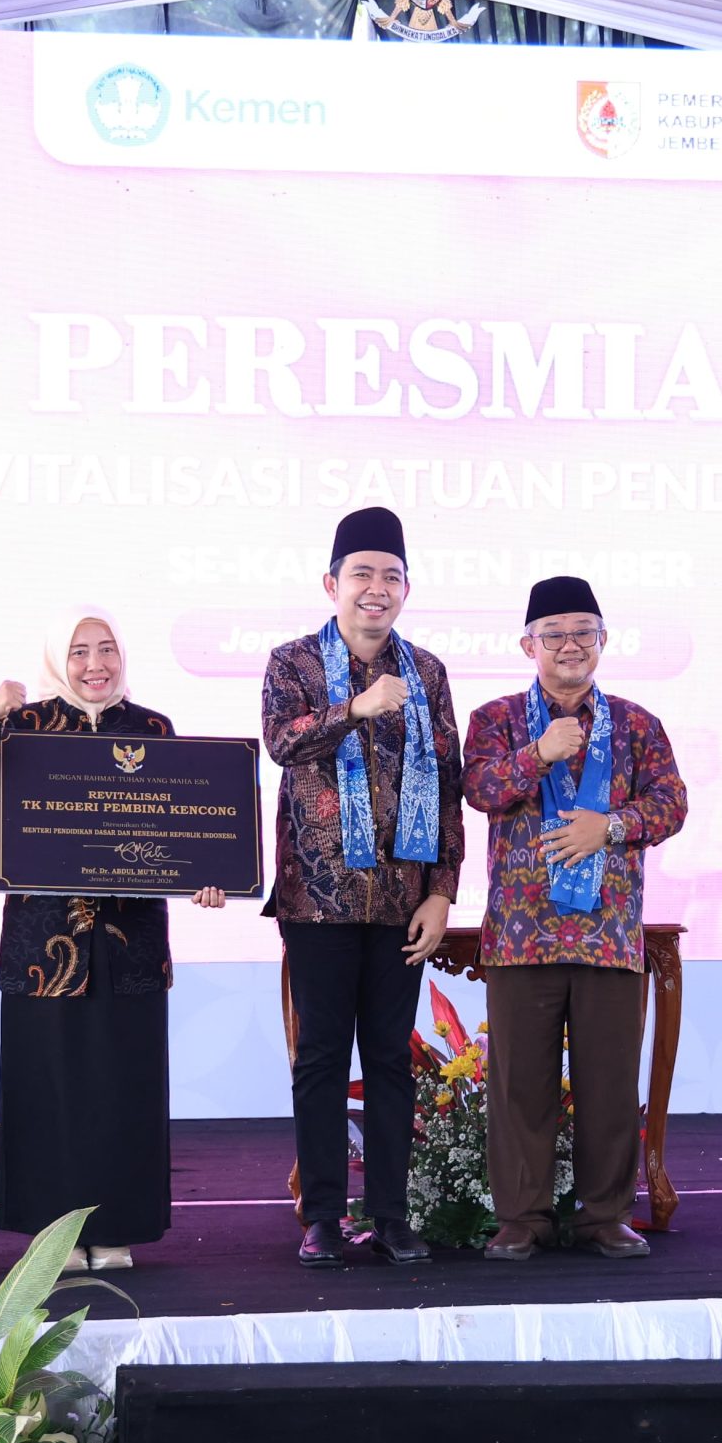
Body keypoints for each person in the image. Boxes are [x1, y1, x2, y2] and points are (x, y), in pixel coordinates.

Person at [0, 609, 227, 1272]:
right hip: (44, 951)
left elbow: (183, 829)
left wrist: (209, 875)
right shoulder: (23, 726)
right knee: (50, 1091)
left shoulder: (152, 730)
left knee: (123, 1089)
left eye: (106, 650)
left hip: (130, 947)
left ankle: (115, 1228)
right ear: (57, 660)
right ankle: (54, 1238)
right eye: (78, 652)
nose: (95, 665)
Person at [463, 576, 689, 1262]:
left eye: (583, 633)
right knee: (519, 1087)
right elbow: (478, 789)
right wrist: (539, 754)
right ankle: (522, 1219)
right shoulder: (496, 719)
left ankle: (605, 1217)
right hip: (521, 935)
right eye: (554, 634)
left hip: (609, 935)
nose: (569, 646)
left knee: (610, 1087)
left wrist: (610, 826)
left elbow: (672, 805)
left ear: (603, 640)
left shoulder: (638, 724)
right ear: (527, 645)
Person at [261, 506, 464, 1267]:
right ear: (332, 584)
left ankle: (390, 1215)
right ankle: (320, 1216)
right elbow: (282, 742)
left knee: (389, 1060)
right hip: (316, 899)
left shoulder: (428, 673)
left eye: (391, 576)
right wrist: (355, 707)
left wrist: (442, 890)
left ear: (406, 589)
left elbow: (449, 786)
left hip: (402, 902)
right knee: (320, 1058)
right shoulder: (292, 664)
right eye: (362, 574)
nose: (376, 588)